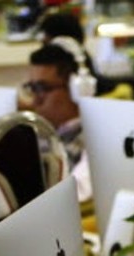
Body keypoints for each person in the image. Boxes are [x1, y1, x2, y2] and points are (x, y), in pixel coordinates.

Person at [25, 43, 91, 200]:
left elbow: (74, 197)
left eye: (42, 87)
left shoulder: (94, 141)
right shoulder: (37, 132)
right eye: (31, 87)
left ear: (76, 90)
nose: (35, 99)